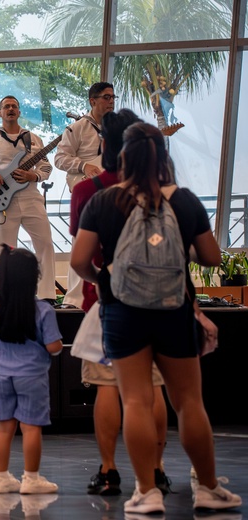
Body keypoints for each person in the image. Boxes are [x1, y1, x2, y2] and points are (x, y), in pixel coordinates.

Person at [71, 123, 241, 514]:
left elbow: (80, 261)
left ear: (123, 158)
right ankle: (210, 489)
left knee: (134, 400)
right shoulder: (183, 201)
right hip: (174, 311)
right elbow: (213, 256)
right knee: (189, 403)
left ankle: (146, 493)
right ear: (162, 157)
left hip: (121, 313)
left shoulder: (104, 202)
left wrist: (106, 280)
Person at [68, 109, 172, 496]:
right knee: (154, 387)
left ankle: (109, 470)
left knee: (107, 386)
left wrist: (100, 283)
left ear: (106, 146)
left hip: (108, 302)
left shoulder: (89, 191)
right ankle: (157, 468)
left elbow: (81, 255)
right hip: (160, 303)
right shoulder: (162, 191)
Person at [0, 245, 62, 495]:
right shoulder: (43, 310)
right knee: (31, 428)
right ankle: (31, 478)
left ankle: (0, 478)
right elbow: (53, 346)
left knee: (4, 427)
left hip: (1, 376)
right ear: (34, 278)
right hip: (32, 377)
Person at [0, 95, 56, 301]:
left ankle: (46, 296)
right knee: (5, 249)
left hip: (31, 198)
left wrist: (33, 175)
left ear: (19, 112)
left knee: (45, 244)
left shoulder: (33, 139)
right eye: (6, 106)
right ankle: (8, 297)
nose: (10, 109)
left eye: (14, 106)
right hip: (2, 201)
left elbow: (45, 166)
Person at [55, 82, 116, 308]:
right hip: (86, 188)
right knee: (81, 242)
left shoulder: (117, 127)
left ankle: (107, 291)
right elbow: (60, 159)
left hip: (110, 192)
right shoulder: (77, 128)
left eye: (112, 97)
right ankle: (75, 297)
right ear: (93, 101)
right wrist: (84, 166)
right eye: (106, 97)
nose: (111, 101)